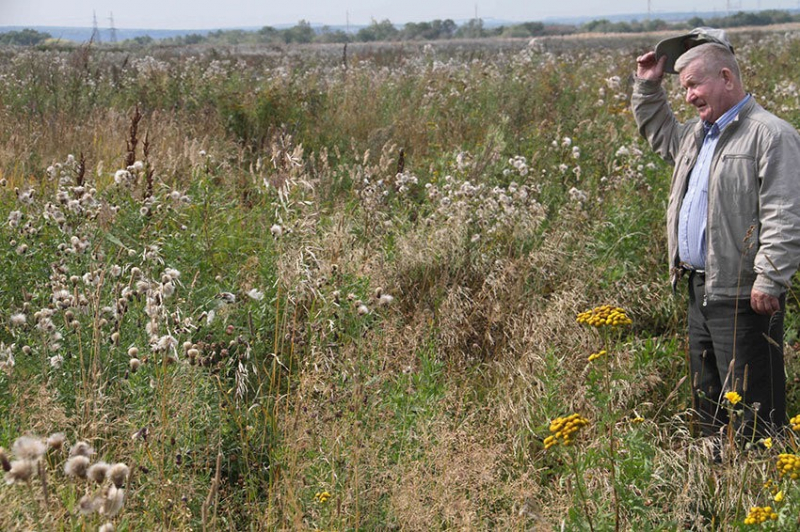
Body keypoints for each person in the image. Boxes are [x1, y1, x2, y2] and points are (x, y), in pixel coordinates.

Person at [632, 28, 800, 441]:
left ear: (726, 77)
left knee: (752, 403)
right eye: (683, 87)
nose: (687, 96)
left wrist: (770, 278)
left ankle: (762, 487)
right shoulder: (696, 135)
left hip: (744, 293)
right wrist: (648, 86)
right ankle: (714, 484)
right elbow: (660, 132)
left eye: (693, 84)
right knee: (708, 399)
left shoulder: (770, 134)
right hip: (698, 288)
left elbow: (784, 211)